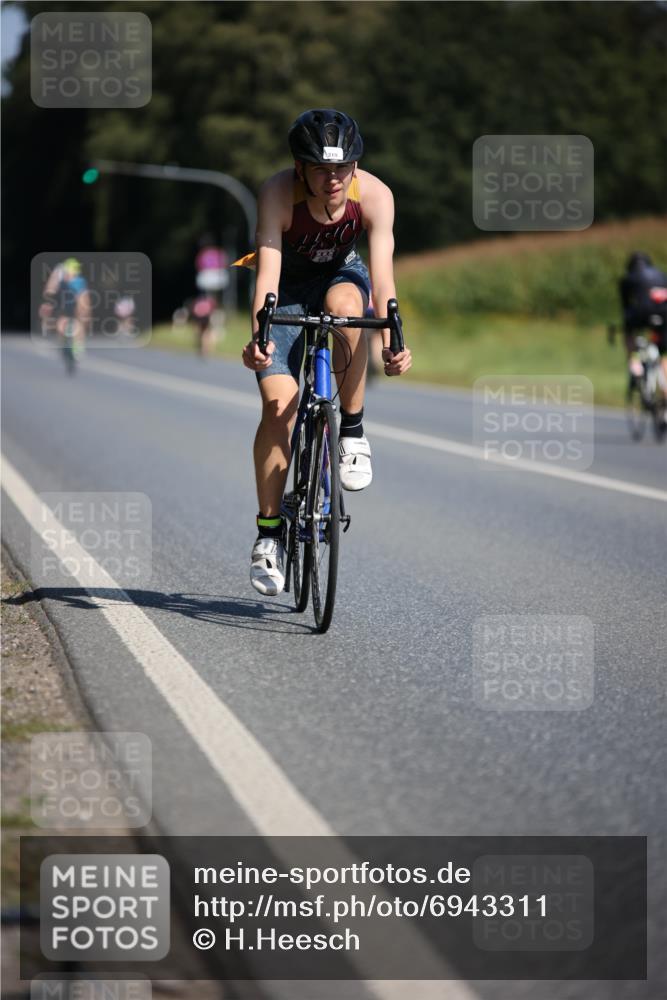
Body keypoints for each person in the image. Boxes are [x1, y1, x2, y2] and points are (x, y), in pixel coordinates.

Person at [240, 109, 412, 596]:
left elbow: (384, 280)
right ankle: (268, 536)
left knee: (348, 309)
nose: (332, 178)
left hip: (342, 277)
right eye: (320, 168)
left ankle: (352, 432)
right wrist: (261, 338)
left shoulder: (375, 196)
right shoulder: (278, 193)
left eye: (341, 167)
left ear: (355, 166)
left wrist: (392, 341)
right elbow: (267, 276)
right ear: (300, 168)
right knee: (278, 407)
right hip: (288, 289)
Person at [619, 251, 667, 385]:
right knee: (663, 354)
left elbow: (625, 306)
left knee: (628, 332)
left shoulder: (629, 277)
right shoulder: (661, 275)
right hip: (664, 316)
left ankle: (634, 362)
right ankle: (666, 390)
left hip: (640, 315)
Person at [42, 257, 91, 353]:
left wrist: (85, 313)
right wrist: (55, 276)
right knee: (61, 324)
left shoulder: (79, 281)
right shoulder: (60, 281)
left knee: (80, 320)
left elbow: (84, 299)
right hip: (63, 307)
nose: (73, 273)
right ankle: (65, 343)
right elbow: (49, 292)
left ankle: (78, 344)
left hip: (75, 308)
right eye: (72, 270)